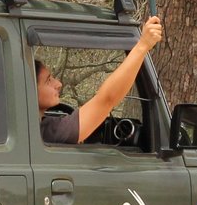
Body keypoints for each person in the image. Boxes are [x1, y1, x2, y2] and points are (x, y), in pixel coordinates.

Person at [36, 15, 164, 145]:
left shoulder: (33, 129)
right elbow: (107, 100)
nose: (58, 84)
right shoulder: (44, 133)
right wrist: (142, 46)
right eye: (48, 81)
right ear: (29, 90)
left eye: (52, 78)